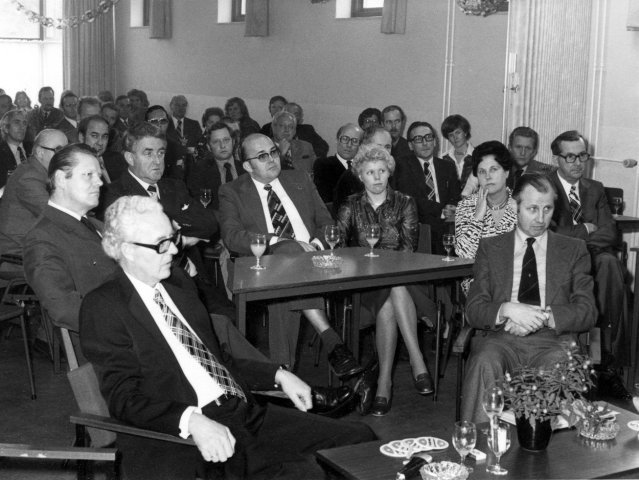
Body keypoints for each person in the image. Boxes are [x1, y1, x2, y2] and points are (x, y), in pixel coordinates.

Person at [80, 196, 376, 479]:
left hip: (241, 411)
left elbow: (217, 359)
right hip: (191, 432)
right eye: (161, 244)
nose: (172, 251)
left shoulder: (177, 283)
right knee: (305, 472)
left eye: (172, 239)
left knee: (359, 439)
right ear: (127, 250)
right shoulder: (104, 306)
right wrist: (191, 420)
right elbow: (123, 399)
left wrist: (278, 375)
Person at [218, 133, 362, 374]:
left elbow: (327, 223)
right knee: (288, 255)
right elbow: (232, 236)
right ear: (247, 166)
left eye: (273, 152)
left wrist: (315, 245)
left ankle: (283, 373)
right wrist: (279, 240)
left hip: (315, 260)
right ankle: (331, 340)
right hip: (261, 266)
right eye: (262, 156)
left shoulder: (299, 178)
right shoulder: (232, 191)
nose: (272, 159)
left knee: (284, 286)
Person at [461, 172, 597, 423]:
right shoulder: (491, 248)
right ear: (515, 206)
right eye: (532, 209)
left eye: (547, 209)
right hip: (501, 338)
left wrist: (542, 317)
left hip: (553, 341)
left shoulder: (573, 249)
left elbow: (588, 310)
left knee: (559, 367)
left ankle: (542, 445)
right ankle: (478, 442)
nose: (540, 218)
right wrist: (507, 309)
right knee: (484, 361)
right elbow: (474, 309)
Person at [337, 144, 434, 416]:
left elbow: (408, 250)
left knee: (394, 290)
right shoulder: (350, 205)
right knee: (392, 291)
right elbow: (340, 248)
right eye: (370, 172)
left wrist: (388, 271)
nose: (377, 177)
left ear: (389, 172)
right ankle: (417, 361)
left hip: (403, 277)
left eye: (381, 170)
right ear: (361, 176)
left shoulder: (405, 202)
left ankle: (383, 383)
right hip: (363, 281)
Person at [547, 130, 629, 397]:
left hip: (593, 257)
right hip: (556, 260)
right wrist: (585, 229)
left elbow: (610, 233)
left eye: (582, 155)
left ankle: (603, 362)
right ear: (556, 158)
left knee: (610, 265)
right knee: (606, 267)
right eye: (570, 157)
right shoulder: (544, 186)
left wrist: (578, 237)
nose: (577, 162)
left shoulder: (595, 189)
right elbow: (550, 233)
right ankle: (596, 363)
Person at [23, 144, 113, 357]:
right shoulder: (42, 238)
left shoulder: (96, 225)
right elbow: (64, 308)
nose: (100, 182)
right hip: (108, 347)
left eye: (99, 175)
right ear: (61, 179)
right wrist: (129, 321)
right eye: (89, 175)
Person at [454, 141, 517, 293]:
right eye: (482, 171)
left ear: (506, 172)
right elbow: (464, 256)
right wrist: (478, 217)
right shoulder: (466, 206)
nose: (488, 176)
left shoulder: (521, 205)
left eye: (494, 169)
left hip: (515, 281)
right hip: (479, 284)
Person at [391, 121, 461, 253]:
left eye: (428, 137)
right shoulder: (401, 165)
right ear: (410, 145)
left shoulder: (447, 166)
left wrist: (452, 207)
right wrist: (442, 210)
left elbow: (456, 196)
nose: (425, 143)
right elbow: (410, 199)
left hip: (447, 229)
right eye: (418, 139)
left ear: (434, 141)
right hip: (418, 229)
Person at [0, 129, 68, 257]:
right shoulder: (29, 177)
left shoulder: (42, 172)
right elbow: (56, 215)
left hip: (36, 244)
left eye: (66, 151)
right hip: (15, 252)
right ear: (40, 152)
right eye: (59, 151)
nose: (65, 157)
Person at [187, 122, 246, 210]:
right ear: (209, 147)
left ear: (233, 142)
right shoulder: (199, 171)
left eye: (226, 140)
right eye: (216, 142)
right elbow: (199, 205)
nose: (222, 146)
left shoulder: (246, 169)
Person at [334, 126, 391, 210]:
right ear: (365, 147)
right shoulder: (351, 176)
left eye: (388, 147)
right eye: (379, 146)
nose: (384, 151)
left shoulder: (396, 172)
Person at [313, 123, 363, 204]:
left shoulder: (364, 166)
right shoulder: (323, 165)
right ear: (337, 140)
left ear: (360, 145)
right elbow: (325, 198)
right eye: (345, 139)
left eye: (354, 141)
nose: (349, 145)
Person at [78, 114, 127, 184]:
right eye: (94, 136)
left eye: (104, 136)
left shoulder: (117, 159)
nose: (100, 142)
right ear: (81, 137)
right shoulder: (76, 167)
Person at [145, 105, 188, 180]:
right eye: (154, 121)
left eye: (163, 121)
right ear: (146, 124)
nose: (159, 125)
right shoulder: (140, 146)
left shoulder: (175, 147)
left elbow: (177, 177)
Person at [270, 110, 315, 177]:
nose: (287, 130)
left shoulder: (306, 146)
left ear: (295, 131)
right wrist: (281, 155)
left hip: (304, 182)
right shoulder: (265, 147)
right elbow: (269, 174)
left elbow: (316, 170)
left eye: (291, 127)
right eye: (282, 126)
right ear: (273, 127)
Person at [440, 114, 475, 196]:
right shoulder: (442, 158)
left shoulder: (478, 156)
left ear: (465, 132)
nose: (455, 137)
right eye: (451, 135)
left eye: (458, 132)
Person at [0, 110, 32, 190]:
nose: (22, 127)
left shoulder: (33, 148)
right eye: (17, 123)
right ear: (6, 128)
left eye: (24, 123)